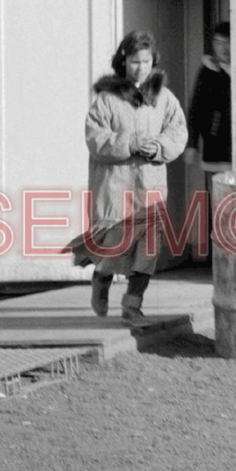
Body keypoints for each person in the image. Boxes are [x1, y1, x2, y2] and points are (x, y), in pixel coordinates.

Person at [74, 29, 188, 323]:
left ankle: (132, 305)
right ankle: (101, 279)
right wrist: (129, 143)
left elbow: (178, 133)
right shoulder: (107, 99)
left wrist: (159, 147)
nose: (141, 68)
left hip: (150, 188)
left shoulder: (163, 98)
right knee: (115, 248)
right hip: (116, 188)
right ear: (123, 61)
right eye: (135, 61)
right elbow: (94, 138)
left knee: (147, 251)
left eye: (147, 61)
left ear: (154, 61)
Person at [186, 22, 232, 255]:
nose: (222, 48)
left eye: (227, 42)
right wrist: (192, 144)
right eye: (218, 43)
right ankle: (220, 256)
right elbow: (195, 108)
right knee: (220, 205)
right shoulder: (208, 70)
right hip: (215, 148)